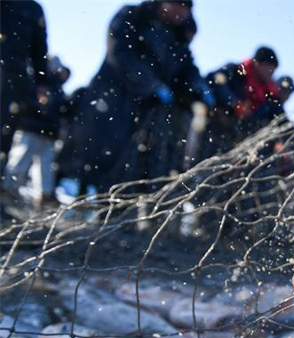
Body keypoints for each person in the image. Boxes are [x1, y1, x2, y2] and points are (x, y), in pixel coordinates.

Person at [57, 0, 213, 193]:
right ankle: (74, 196)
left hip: (146, 111)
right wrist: (152, 85)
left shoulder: (177, 38)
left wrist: (200, 88)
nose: (181, 12)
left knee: (130, 167)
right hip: (111, 98)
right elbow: (120, 54)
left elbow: (187, 68)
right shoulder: (133, 16)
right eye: (177, 5)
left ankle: (114, 209)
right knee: (94, 155)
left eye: (187, 8)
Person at [3, 56, 71, 208]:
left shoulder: (56, 88)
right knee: (20, 161)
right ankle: (8, 190)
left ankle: (44, 196)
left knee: (45, 167)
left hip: (48, 132)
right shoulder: (37, 82)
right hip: (31, 128)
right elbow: (27, 102)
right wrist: (40, 110)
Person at [0, 0, 49, 163]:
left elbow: (39, 50)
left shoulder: (33, 9)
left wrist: (42, 84)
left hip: (15, 77)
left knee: (5, 131)